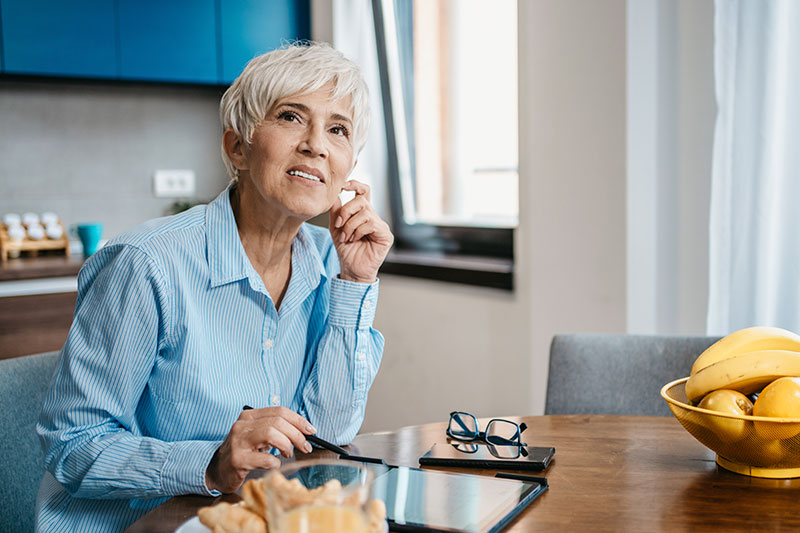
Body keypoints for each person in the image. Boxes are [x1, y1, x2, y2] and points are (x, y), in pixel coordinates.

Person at [35, 42, 393, 532]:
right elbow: (72, 445)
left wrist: (356, 282)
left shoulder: (334, 260)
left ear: (348, 166)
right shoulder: (146, 265)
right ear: (237, 147)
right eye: (291, 117)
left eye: (338, 129)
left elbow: (327, 433)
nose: (317, 144)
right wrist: (210, 463)